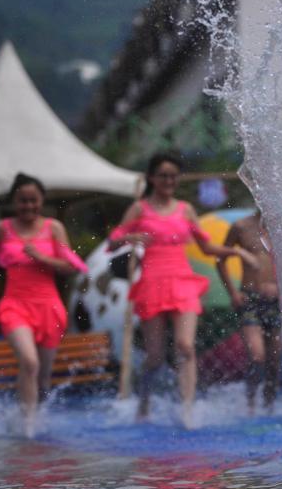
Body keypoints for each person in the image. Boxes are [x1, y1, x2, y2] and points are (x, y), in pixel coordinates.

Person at [108, 154, 254, 426]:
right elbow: (112, 241)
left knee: (186, 346)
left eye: (173, 176)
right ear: (152, 178)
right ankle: (144, 401)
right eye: (163, 175)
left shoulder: (186, 209)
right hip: (152, 283)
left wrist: (238, 253)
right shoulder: (140, 209)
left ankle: (188, 410)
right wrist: (128, 237)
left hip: (182, 281)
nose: (168, 180)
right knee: (155, 357)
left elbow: (207, 248)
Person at [0, 174, 87, 437]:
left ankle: (29, 417)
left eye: (33, 200)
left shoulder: (54, 228)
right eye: (23, 201)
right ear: (14, 201)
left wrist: (43, 258)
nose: (28, 206)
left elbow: (71, 266)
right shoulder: (3, 228)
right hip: (14, 305)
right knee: (29, 361)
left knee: (43, 378)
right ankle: (28, 428)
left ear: (41, 201)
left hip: (49, 308)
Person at [216, 210, 282, 415]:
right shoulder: (241, 226)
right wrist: (233, 292)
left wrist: (281, 289)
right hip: (250, 299)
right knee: (257, 355)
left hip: (277, 302)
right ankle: (250, 403)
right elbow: (220, 260)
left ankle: (269, 405)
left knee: (275, 359)